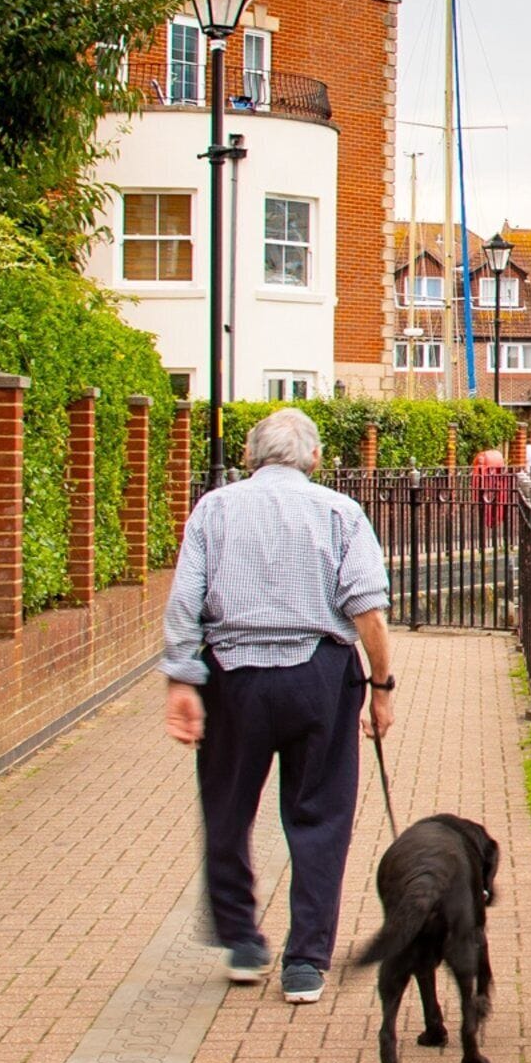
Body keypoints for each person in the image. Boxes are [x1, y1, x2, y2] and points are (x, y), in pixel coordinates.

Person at [160, 406, 394, 1003]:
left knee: (228, 806)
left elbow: (185, 602)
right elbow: (367, 609)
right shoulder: (340, 512)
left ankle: (241, 940)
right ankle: (306, 962)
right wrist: (381, 686)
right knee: (319, 815)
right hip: (319, 674)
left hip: (233, 678)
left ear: (249, 456)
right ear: (314, 458)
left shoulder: (213, 509)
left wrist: (183, 680)